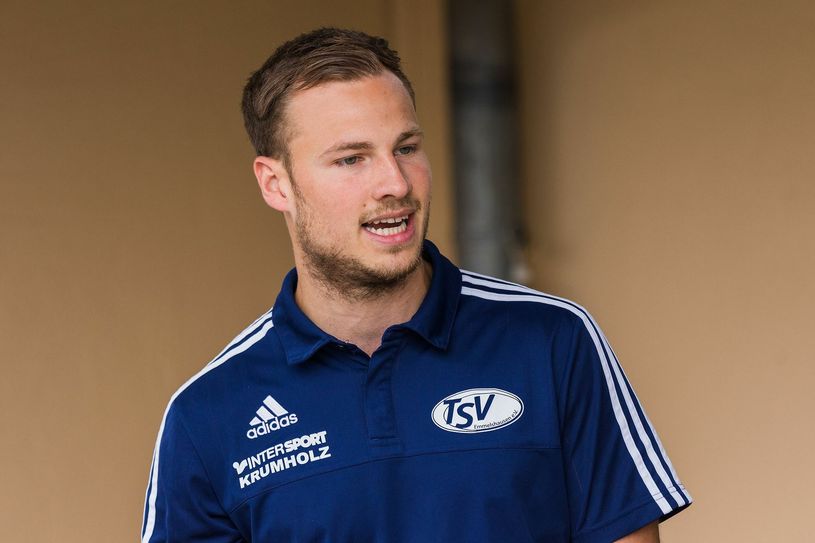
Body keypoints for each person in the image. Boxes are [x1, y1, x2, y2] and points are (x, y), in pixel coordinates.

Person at [141, 27, 691, 543]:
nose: (395, 184)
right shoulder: (206, 414)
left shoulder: (551, 341)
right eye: (352, 158)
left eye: (405, 147)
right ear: (276, 183)